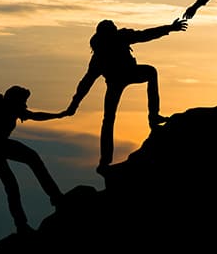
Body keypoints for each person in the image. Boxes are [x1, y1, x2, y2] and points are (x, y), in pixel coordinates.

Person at [60, 18, 188, 174]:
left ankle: (153, 118)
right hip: (118, 80)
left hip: (124, 75)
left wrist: (169, 28)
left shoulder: (116, 41)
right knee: (109, 118)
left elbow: (145, 35)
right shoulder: (102, 53)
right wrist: (73, 105)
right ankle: (106, 159)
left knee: (109, 118)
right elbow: (86, 83)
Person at [0, 86, 66, 233]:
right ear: (15, 100)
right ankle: (24, 222)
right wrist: (59, 115)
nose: (25, 105)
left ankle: (54, 199)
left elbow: (35, 115)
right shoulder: (3, 108)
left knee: (26, 166)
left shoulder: (14, 108)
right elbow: (34, 115)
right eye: (24, 101)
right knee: (12, 182)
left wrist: (59, 115)